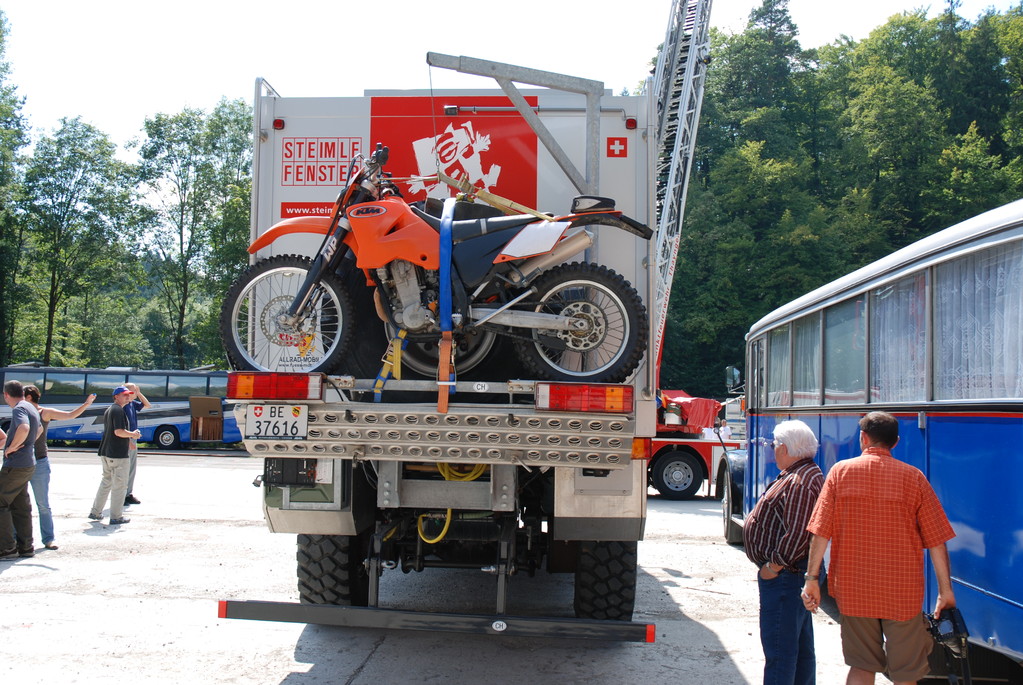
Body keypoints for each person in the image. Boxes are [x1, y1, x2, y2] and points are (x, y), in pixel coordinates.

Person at [801, 411, 956, 685]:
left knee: (861, 668)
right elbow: (936, 540)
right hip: (902, 594)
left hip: (854, 590)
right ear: (895, 442)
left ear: (863, 438)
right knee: (905, 676)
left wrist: (812, 579)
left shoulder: (840, 473)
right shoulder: (914, 478)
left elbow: (820, 532)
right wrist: (945, 591)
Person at [744, 420, 825, 685]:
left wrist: (773, 567)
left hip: (786, 576)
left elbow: (798, 533)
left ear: (787, 448)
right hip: (791, 575)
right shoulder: (802, 473)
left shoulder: (800, 480)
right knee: (797, 649)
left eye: (775, 444)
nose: (773, 449)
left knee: (780, 652)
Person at [23, 385, 97, 550]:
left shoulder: (44, 412)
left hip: (39, 461)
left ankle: (49, 539)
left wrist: (86, 404)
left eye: (22, 397)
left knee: (43, 504)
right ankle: (17, 540)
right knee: (19, 504)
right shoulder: (20, 412)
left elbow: (70, 415)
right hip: (22, 462)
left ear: (28, 398)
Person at [0, 380, 42, 560]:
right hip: (28, 463)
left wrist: (12, 447)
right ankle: (26, 547)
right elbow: (39, 429)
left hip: (15, 465)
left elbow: (24, 428)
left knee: (1, 502)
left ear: (6, 395)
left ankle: (7, 549)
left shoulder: (19, 409)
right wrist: (27, 445)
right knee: (21, 506)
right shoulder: (31, 407)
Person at [89, 386, 141, 525]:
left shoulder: (110, 409)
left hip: (106, 452)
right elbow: (119, 431)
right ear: (116, 396)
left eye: (129, 395)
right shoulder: (118, 410)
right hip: (117, 454)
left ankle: (95, 512)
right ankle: (116, 516)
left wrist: (128, 441)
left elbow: (113, 432)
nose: (127, 397)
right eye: (124, 395)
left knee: (106, 482)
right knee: (120, 486)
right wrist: (133, 435)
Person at [120, 382, 151, 506]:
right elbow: (121, 426)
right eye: (134, 390)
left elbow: (147, 405)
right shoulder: (123, 406)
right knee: (124, 468)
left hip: (133, 437)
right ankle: (122, 495)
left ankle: (128, 494)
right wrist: (128, 440)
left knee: (132, 468)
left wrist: (139, 394)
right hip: (126, 438)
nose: (136, 392)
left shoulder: (132, 404)